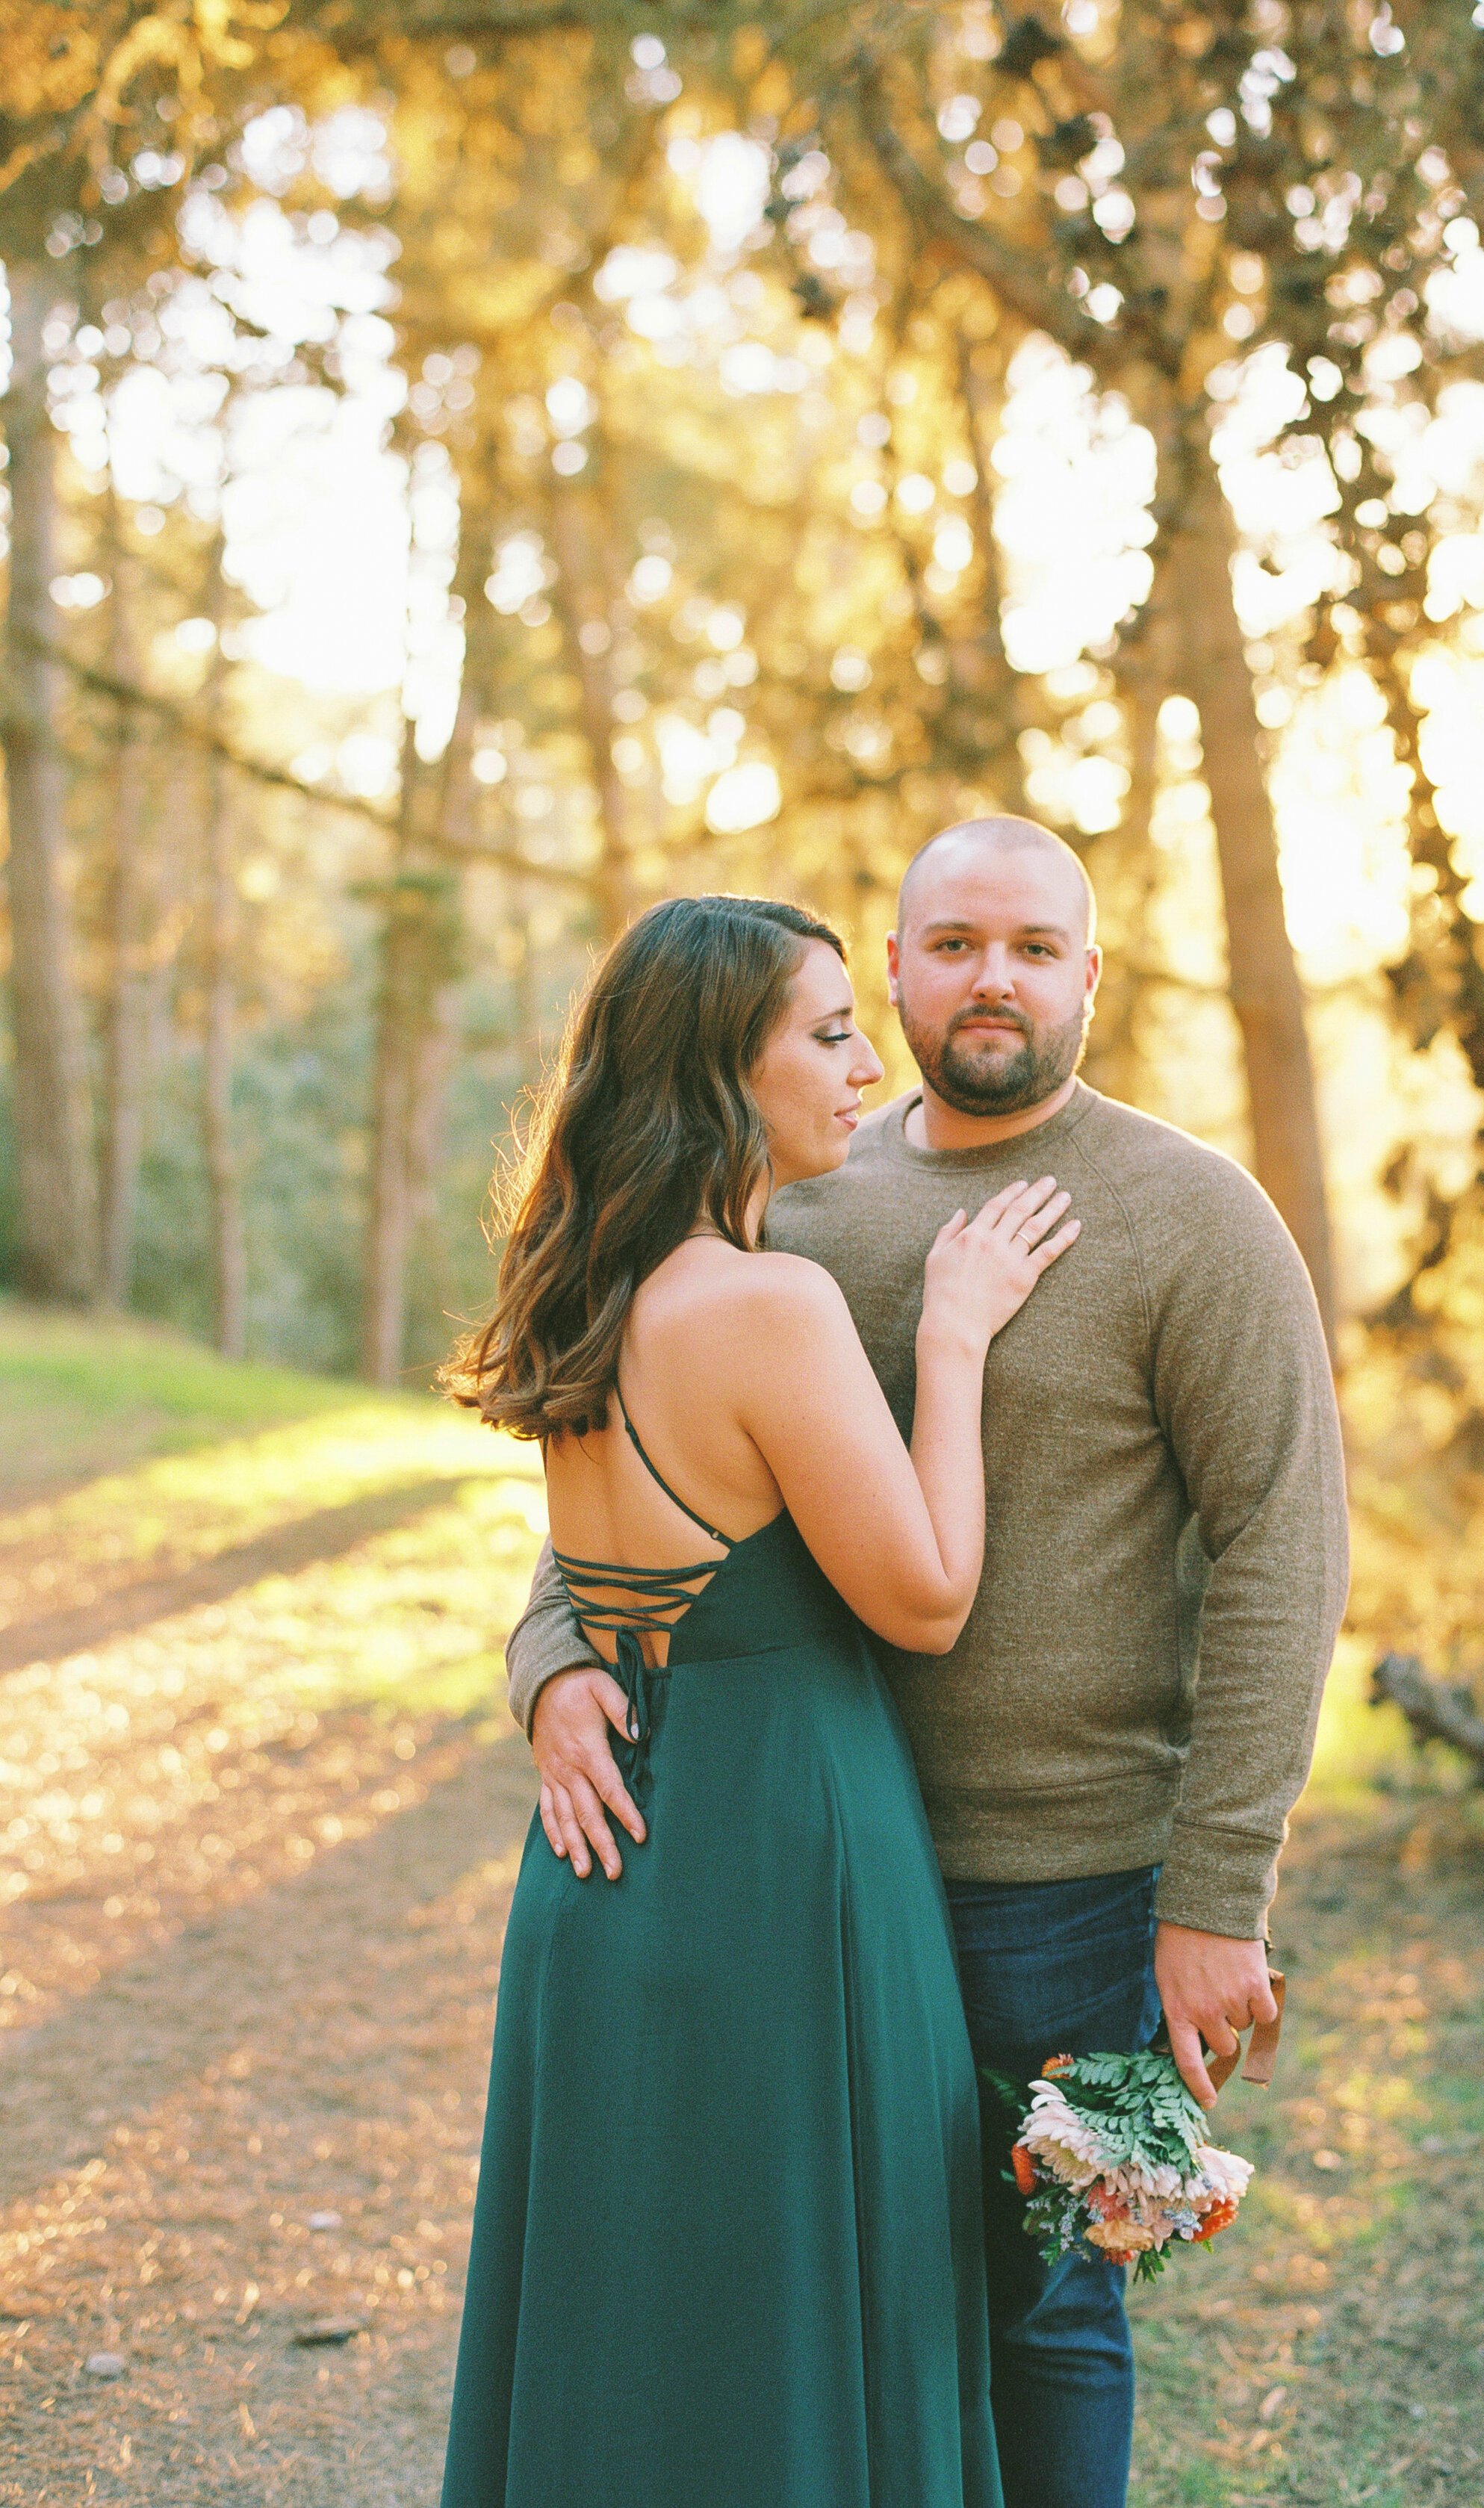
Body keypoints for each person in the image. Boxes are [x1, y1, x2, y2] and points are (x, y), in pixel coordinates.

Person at [508, 819, 1352, 2508]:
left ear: (1088, 975)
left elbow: (1285, 1547)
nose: (993, 976)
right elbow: (654, 1470)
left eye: (1035, 945)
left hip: (1097, 1893)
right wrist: (548, 1660)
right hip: (815, 1889)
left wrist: (1213, 1893)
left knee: (1065, 2292)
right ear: (890, 971)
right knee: (850, 2315)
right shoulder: (799, 1197)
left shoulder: (1198, 1215)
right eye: (953, 940)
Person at [437, 891, 1080, 2508]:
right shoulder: (765, 1302)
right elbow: (925, 1594)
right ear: (725, 1071)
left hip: (611, 1870)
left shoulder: (590, 1277)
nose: (869, 1059)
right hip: (785, 1869)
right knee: (799, 2312)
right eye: (826, 1029)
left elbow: (592, 1578)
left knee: (636, 2325)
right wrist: (951, 1338)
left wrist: (548, 1670)